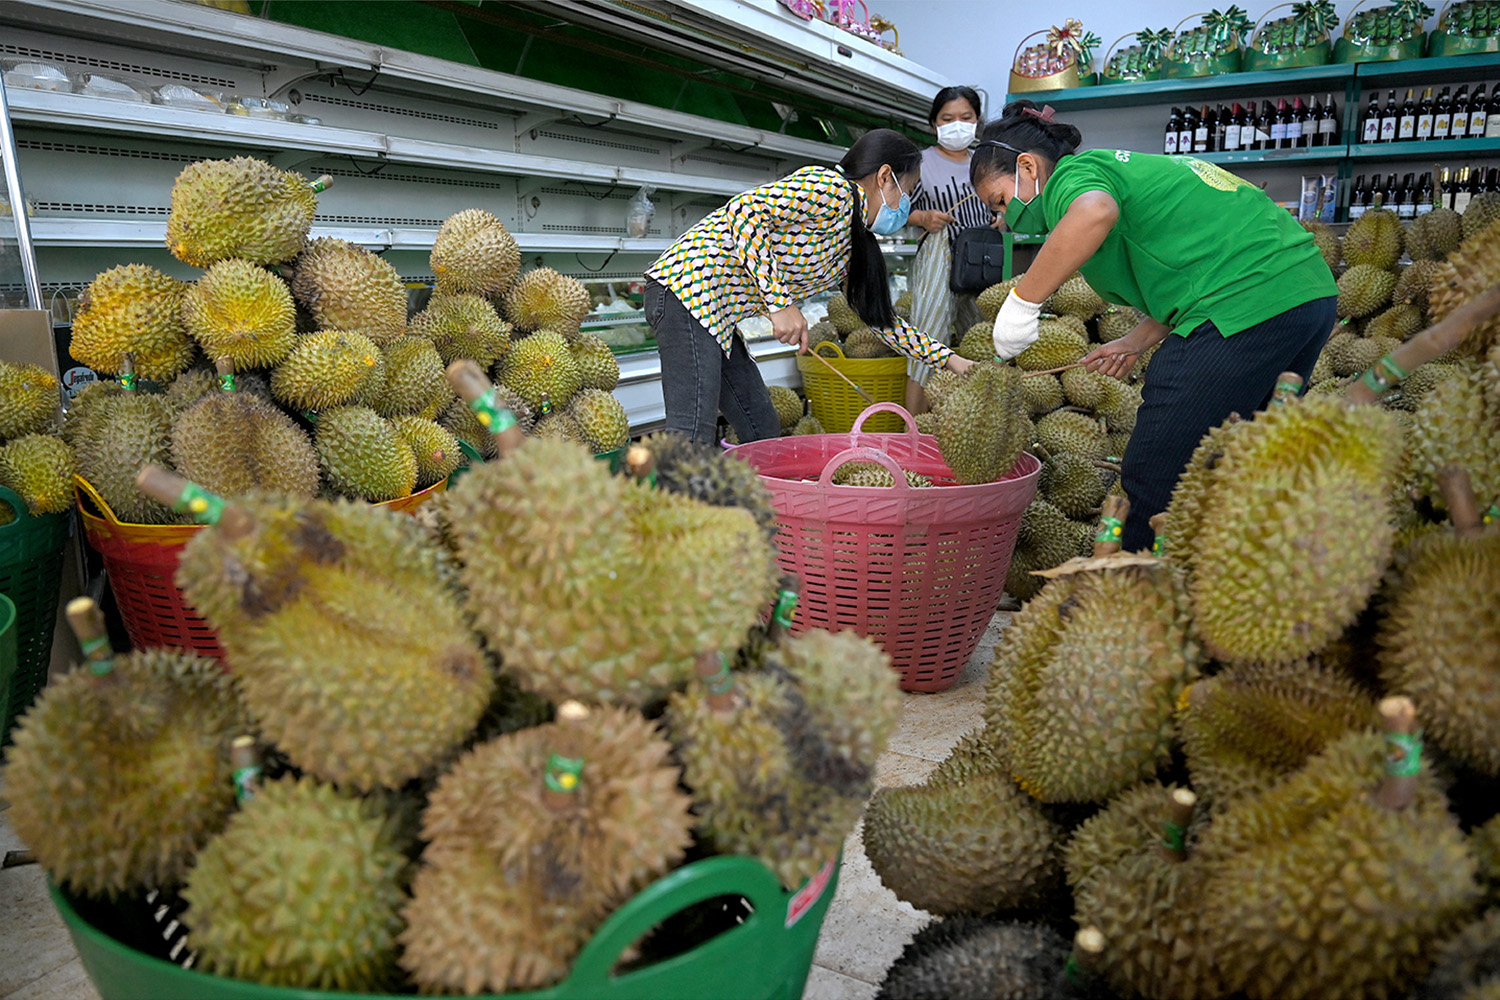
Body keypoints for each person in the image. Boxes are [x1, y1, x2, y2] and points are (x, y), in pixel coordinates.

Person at [970, 99, 1338, 553]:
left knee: (1156, 468)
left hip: (1246, 301)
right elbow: (1188, 261)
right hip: (1303, 294)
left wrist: (1022, 302)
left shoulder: (1071, 178)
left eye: (1001, 201)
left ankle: (1135, 598)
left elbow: (1094, 213)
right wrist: (1136, 339)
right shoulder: (1117, 170)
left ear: (1028, 166)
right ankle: (1218, 587)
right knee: (1241, 460)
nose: (1003, 219)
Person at [644, 129, 973, 445]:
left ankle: (763, 500)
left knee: (762, 426)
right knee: (691, 435)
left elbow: (881, 323)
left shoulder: (851, 244)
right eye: (909, 189)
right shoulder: (830, 188)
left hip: (717, 316)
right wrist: (781, 303)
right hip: (685, 291)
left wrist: (950, 361)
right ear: (885, 177)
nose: (906, 204)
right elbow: (744, 212)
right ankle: (671, 503)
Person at [903, 85, 998, 413]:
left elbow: (1003, 203)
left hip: (983, 259)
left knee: (985, 338)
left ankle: (977, 418)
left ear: (977, 121)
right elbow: (899, 211)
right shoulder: (920, 163)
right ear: (934, 123)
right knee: (926, 343)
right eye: (947, 118)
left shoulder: (985, 162)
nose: (957, 124)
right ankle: (911, 429)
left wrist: (1001, 216)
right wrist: (923, 217)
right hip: (939, 258)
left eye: (965, 117)